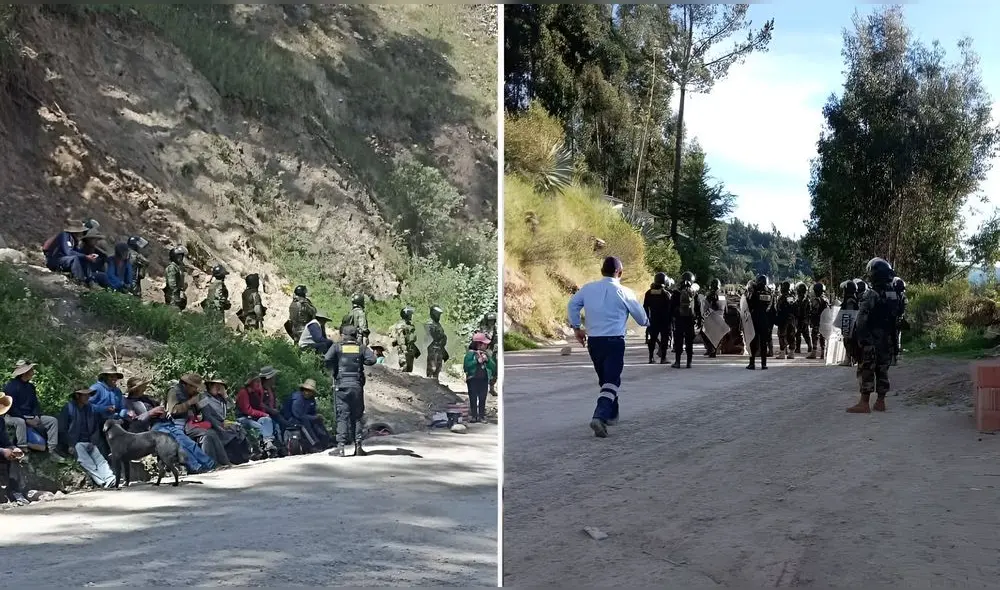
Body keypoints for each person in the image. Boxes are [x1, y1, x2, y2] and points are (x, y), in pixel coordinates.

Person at [567, 256, 648, 438]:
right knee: (612, 381)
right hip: (614, 342)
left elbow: (572, 304)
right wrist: (648, 321)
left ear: (602, 271)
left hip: (594, 342)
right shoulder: (625, 292)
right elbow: (642, 319)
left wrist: (576, 328)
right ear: (620, 273)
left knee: (606, 380)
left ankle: (612, 414)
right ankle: (600, 416)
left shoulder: (588, 289)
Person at [847, 258, 900, 413]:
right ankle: (880, 402)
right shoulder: (893, 294)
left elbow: (862, 319)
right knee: (883, 369)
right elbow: (896, 317)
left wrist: (860, 339)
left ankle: (864, 403)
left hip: (871, 339)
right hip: (887, 339)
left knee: (867, 369)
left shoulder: (872, 294)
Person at [325, 325, 377, 457]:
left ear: (343, 335)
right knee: (357, 416)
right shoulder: (361, 347)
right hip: (356, 386)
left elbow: (327, 359)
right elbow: (372, 359)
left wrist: (335, 365)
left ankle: (341, 447)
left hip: (341, 385)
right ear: (355, 335)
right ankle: (358, 446)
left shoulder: (337, 347)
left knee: (342, 416)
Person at [165, 373, 230, 468]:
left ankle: (224, 462)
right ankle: (211, 465)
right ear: (187, 385)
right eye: (194, 387)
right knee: (208, 434)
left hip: (192, 422)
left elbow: (205, 410)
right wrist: (190, 402)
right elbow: (173, 410)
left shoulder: (194, 394)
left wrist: (200, 407)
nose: (196, 390)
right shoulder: (174, 392)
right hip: (178, 423)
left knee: (211, 433)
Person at [2, 361, 63, 459]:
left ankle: (52, 450)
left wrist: (36, 416)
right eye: (31, 370)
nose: (33, 372)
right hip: (13, 416)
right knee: (20, 422)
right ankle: (23, 449)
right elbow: (11, 408)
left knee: (52, 421)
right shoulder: (11, 386)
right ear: (24, 372)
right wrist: (26, 420)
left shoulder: (30, 387)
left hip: (30, 415)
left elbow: (35, 404)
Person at [58, 387, 115, 488]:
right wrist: (70, 444)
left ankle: (110, 479)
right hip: (76, 443)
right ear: (77, 396)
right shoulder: (68, 408)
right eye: (85, 395)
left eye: (88, 394)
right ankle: (100, 481)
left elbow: (95, 428)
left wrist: (93, 441)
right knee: (87, 462)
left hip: (89, 441)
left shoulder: (90, 408)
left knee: (101, 460)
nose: (88, 397)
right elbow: (62, 429)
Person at [197, 375, 252, 465]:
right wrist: (219, 427)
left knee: (238, 429)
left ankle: (245, 455)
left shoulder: (220, 398)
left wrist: (225, 395)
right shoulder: (203, 397)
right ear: (210, 386)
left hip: (222, 422)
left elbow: (231, 406)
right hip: (212, 424)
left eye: (220, 386)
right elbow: (207, 416)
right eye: (216, 386)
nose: (218, 388)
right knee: (227, 433)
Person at [236, 375, 282, 457]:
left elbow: (260, 405)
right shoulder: (243, 392)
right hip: (243, 418)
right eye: (256, 382)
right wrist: (263, 414)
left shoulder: (256, 392)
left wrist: (265, 415)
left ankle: (268, 443)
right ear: (251, 383)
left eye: (259, 382)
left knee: (267, 420)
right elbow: (247, 410)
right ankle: (266, 444)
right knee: (260, 426)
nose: (258, 384)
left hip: (254, 417)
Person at [281, 379, 331, 452]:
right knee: (304, 422)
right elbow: (298, 415)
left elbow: (312, 413)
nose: (307, 393)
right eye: (306, 390)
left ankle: (325, 440)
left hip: (304, 417)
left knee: (317, 420)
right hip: (290, 419)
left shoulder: (311, 400)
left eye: (310, 391)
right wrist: (313, 417)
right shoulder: (297, 398)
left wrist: (316, 417)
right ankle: (314, 444)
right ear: (303, 389)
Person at [42, 220, 96, 286]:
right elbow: (68, 252)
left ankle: (90, 281)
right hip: (55, 260)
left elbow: (76, 252)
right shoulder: (64, 236)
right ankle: (80, 281)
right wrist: (85, 256)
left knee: (84, 259)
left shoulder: (73, 239)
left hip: (64, 260)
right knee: (74, 259)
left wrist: (86, 256)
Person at [0, 393, 30, 505]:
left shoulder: (1, 421)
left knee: (14, 459)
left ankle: (15, 491)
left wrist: (13, 448)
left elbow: (5, 441)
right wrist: (3, 451)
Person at [464, 332, 496, 423]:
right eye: (484, 344)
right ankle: (474, 416)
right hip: (473, 379)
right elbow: (466, 367)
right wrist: (477, 361)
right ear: (478, 344)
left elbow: (493, 367)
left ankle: (481, 416)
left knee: (482, 398)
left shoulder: (486, 354)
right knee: (473, 398)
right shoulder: (470, 354)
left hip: (484, 379)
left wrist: (488, 360)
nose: (486, 346)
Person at [671, 271, 701, 369]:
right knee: (689, 342)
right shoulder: (694, 293)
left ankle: (678, 362)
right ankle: (689, 363)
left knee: (679, 341)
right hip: (690, 320)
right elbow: (698, 308)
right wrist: (699, 320)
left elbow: (671, 308)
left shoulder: (676, 293)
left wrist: (672, 318)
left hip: (679, 320)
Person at [643, 273, 673, 364]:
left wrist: (647, 318)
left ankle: (651, 358)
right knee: (664, 338)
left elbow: (645, 307)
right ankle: (663, 358)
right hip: (664, 320)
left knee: (652, 339)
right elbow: (670, 308)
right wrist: (671, 320)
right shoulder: (666, 293)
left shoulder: (649, 292)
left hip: (653, 319)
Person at [746, 275, 773, 370]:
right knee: (764, 343)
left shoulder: (755, 292)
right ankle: (764, 364)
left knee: (753, 341)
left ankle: (752, 363)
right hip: (765, 320)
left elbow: (748, 303)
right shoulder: (769, 292)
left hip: (755, 319)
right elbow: (771, 307)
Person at [772, 280, 797, 360]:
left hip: (783, 319)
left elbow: (779, 308)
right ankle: (791, 353)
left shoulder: (782, 297)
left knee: (782, 335)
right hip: (791, 319)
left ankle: (782, 352)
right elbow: (792, 307)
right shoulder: (791, 297)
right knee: (791, 335)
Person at [839, 280, 861, 367]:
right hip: (853, 325)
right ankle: (851, 359)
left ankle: (849, 359)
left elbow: (849, 314)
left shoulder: (850, 301)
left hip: (850, 325)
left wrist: (847, 327)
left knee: (848, 342)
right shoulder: (853, 299)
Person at [390, 307, 419, 372]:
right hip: (404, 350)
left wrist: (415, 350)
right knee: (404, 367)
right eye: (410, 314)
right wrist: (404, 349)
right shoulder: (401, 325)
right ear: (406, 315)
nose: (411, 315)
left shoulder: (410, 325)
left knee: (409, 369)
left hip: (410, 350)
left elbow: (411, 339)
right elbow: (401, 339)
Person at [807, 283, 830, 360]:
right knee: (823, 336)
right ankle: (823, 353)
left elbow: (814, 310)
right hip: (824, 321)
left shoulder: (817, 299)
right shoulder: (826, 299)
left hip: (817, 320)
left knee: (815, 335)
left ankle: (814, 352)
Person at [426, 305, 449, 382]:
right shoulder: (430, 324)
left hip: (439, 349)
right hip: (433, 349)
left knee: (438, 368)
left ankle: (435, 382)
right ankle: (429, 383)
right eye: (437, 314)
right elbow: (431, 337)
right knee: (432, 368)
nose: (439, 316)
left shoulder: (438, 324)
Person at [479, 312, 500, 395]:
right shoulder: (483, 328)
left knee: (495, 369)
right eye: (489, 321)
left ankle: (491, 387)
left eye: (492, 321)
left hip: (493, 350)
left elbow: (495, 338)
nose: (491, 323)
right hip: (485, 350)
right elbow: (486, 338)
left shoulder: (494, 328)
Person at [702, 278, 723, 358]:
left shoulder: (710, 296)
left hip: (713, 318)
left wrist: (705, 317)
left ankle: (711, 350)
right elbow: (725, 308)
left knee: (703, 332)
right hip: (721, 319)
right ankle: (714, 349)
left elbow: (709, 309)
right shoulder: (722, 295)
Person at [891, 277, 908, 365]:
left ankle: (894, 357)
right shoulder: (903, 296)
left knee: (893, 338)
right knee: (897, 338)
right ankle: (895, 357)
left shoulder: (894, 295)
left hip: (893, 319)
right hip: (899, 318)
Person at [793, 282, 813, 355]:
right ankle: (799, 348)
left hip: (803, 319)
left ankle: (808, 347)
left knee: (804, 334)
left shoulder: (805, 300)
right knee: (800, 334)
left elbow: (807, 310)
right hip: (800, 319)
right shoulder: (801, 300)